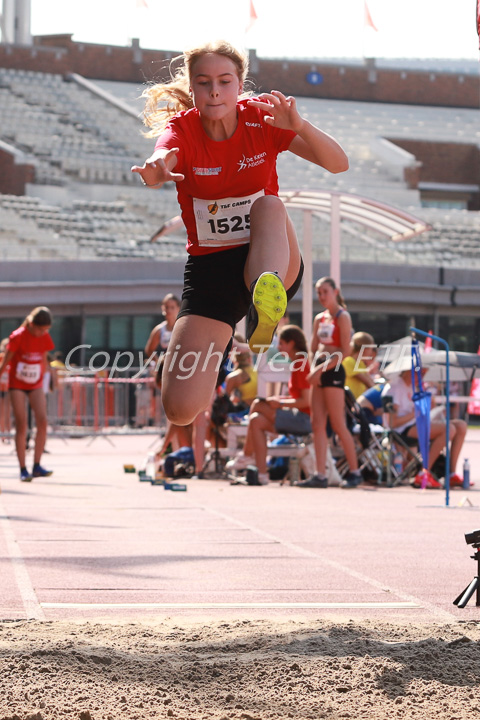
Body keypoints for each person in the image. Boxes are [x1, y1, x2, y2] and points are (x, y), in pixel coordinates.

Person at [131, 39, 348, 428]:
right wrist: (156, 167)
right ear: (193, 87)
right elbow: (165, 152)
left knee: (267, 204)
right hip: (211, 270)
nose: (215, 90)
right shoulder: (183, 129)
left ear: (240, 83)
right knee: (179, 410)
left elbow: (339, 163)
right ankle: (241, 326)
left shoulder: (261, 118)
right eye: (204, 82)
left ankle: (263, 304)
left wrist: (299, 125)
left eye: (225, 81)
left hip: (271, 256)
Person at [225, 324, 310, 485]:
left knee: (257, 404)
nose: (278, 347)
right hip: (296, 417)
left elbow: (306, 402)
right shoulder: (298, 363)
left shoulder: (301, 364)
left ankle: (246, 455)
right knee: (256, 420)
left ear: (291, 344)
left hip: (302, 420)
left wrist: (280, 402)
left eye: (281, 343)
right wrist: (279, 400)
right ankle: (262, 475)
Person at [302, 276, 362, 489]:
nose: (321, 296)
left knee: (337, 423)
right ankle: (320, 475)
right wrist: (313, 367)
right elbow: (313, 347)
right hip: (319, 368)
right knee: (316, 423)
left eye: (325, 292)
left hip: (333, 368)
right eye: (319, 292)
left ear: (335, 292)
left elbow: (346, 350)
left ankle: (355, 472)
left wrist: (321, 369)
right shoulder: (320, 318)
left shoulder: (342, 316)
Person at [382, 367, 467, 488]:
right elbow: (392, 423)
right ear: (408, 371)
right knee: (449, 429)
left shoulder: (411, 386)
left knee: (461, 425)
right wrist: (416, 413)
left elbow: (417, 413)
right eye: (420, 373)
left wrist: (427, 407)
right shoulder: (394, 388)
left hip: (414, 424)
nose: (422, 377)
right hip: (401, 430)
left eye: (424, 374)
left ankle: (451, 474)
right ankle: (424, 472)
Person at [0, 307, 55, 482]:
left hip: (36, 383)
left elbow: (45, 357)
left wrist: (46, 376)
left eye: (46, 330)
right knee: (22, 423)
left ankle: (37, 465)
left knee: (43, 421)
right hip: (17, 384)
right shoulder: (18, 336)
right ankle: (23, 468)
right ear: (32, 325)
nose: (43, 333)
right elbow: (7, 358)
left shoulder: (44, 337)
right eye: (41, 329)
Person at [144, 293, 181, 362]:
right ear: (163, 308)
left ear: (178, 308)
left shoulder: (183, 329)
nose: (169, 310)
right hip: (165, 369)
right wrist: (159, 362)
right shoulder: (159, 330)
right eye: (167, 307)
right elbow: (149, 350)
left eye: (172, 307)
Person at [342, 331, 377, 399]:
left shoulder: (360, 363)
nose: (371, 352)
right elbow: (368, 383)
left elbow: (370, 381)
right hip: (351, 403)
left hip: (357, 401)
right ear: (364, 349)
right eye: (371, 348)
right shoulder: (349, 361)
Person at [0, 338, 11, 442]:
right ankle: (2, 433)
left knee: (8, 411)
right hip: (0, 387)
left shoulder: (12, 358)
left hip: (9, 387)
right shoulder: (0, 357)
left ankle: (8, 433)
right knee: (1, 412)